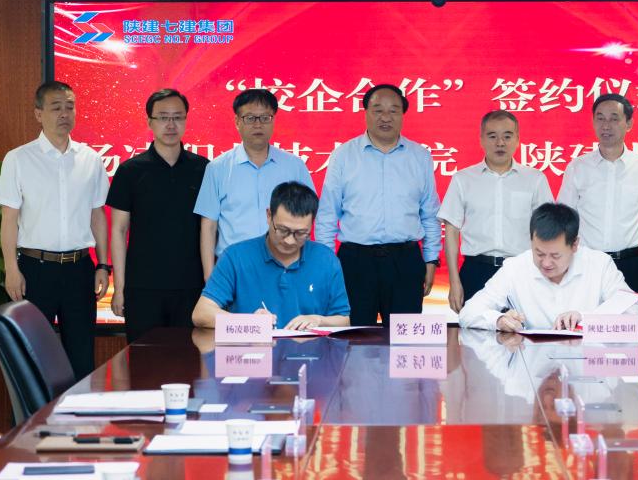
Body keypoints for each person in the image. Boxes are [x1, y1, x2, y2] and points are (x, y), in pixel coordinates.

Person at [0, 81, 109, 379]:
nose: (64, 114)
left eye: (70, 107)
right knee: (33, 357)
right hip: (35, 270)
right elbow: (9, 219)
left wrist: (103, 265)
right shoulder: (19, 159)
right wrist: (11, 269)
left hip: (79, 269)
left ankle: (78, 410)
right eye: (56, 107)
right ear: (38, 114)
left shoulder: (91, 159)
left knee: (81, 356)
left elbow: (97, 215)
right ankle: (36, 412)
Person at [315, 84, 441, 325]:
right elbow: (327, 215)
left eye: (393, 110)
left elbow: (430, 214)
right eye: (378, 110)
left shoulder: (419, 156)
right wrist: (327, 265)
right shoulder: (344, 155)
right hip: (356, 262)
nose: (386, 117)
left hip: (405, 261)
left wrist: (431, 259)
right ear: (365, 113)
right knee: (353, 337)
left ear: (403, 114)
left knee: (405, 338)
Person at [106, 89, 209, 342]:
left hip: (192, 287)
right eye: (163, 117)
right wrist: (119, 288)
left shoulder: (204, 169)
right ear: (149, 121)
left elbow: (210, 229)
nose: (171, 125)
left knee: (190, 360)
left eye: (177, 117)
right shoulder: (130, 171)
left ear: (186, 120)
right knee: (144, 359)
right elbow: (118, 231)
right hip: (142, 287)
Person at [558, 93, 638, 319]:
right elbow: (564, 223)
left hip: (633, 265)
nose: (606, 125)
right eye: (600, 118)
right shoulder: (578, 167)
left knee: (634, 332)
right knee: (584, 331)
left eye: (614, 118)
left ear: (629, 123)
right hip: (588, 266)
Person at [459, 203, 638, 331]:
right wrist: (499, 320)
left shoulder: (600, 264)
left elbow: (637, 316)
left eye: (555, 255)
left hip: (585, 370)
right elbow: (468, 313)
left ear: (575, 245)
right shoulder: (515, 267)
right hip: (532, 368)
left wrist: (586, 319)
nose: (546, 263)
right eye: (539, 253)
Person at [192, 182, 350, 330]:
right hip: (252, 349)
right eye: (282, 230)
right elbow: (201, 313)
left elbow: (344, 320)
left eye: (301, 233)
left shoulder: (326, 260)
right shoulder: (236, 257)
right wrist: (247, 322)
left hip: (310, 350)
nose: (289, 240)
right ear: (269, 216)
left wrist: (318, 320)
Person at [438, 110, 553, 312]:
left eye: (507, 136)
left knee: (523, 329)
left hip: (521, 272)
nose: (500, 143)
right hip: (476, 271)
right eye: (492, 136)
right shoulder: (463, 179)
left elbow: (547, 231)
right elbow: (452, 231)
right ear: (481, 139)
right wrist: (454, 282)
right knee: (474, 330)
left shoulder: (535, 179)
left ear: (517, 139)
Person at [194, 88, 314, 280]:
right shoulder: (217, 168)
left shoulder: (294, 166)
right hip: (234, 269)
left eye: (265, 117)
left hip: (286, 268)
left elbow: (308, 219)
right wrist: (210, 279)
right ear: (237, 122)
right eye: (250, 118)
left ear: (273, 120)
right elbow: (208, 228)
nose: (258, 124)